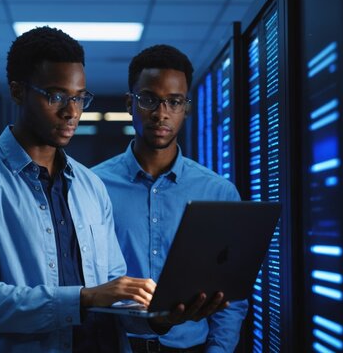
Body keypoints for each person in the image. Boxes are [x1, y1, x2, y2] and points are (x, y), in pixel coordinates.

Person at [0, 28, 223, 353]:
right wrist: (84, 298)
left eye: (78, 97)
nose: (72, 111)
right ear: (18, 92)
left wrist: (160, 318)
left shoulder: (90, 186)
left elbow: (115, 297)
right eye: (56, 96)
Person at [92, 44, 249, 353]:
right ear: (130, 103)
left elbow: (230, 296)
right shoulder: (93, 185)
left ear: (186, 108)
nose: (161, 113)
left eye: (174, 101)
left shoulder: (218, 192)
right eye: (149, 99)